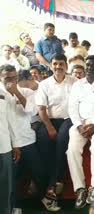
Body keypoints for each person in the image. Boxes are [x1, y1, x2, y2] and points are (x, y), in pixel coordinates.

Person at [0, 65, 48, 213]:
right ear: (1, 77)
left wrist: (16, 93)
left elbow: (33, 110)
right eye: (7, 78)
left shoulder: (26, 92)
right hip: (8, 144)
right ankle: (15, 206)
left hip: (27, 141)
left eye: (14, 77)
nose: (11, 81)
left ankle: (45, 198)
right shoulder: (1, 94)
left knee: (39, 171)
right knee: (11, 178)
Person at [67, 55, 94, 208]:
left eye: (93, 65)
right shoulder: (77, 85)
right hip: (81, 124)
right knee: (72, 150)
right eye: (88, 65)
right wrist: (79, 125)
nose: (90, 68)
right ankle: (80, 189)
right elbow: (72, 107)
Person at [35, 54, 77, 209]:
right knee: (45, 148)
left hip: (69, 120)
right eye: (55, 64)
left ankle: (51, 191)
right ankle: (51, 188)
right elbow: (41, 109)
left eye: (61, 64)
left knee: (61, 145)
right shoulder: (44, 84)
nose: (58, 67)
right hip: (49, 121)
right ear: (51, 66)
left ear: (66, 66)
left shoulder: (75, 82)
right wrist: (49, 127)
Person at [0, 81, 20, 214]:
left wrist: (16, 144)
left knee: (4, 186)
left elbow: (11, 121)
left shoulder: (3, 95)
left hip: (3, 146)